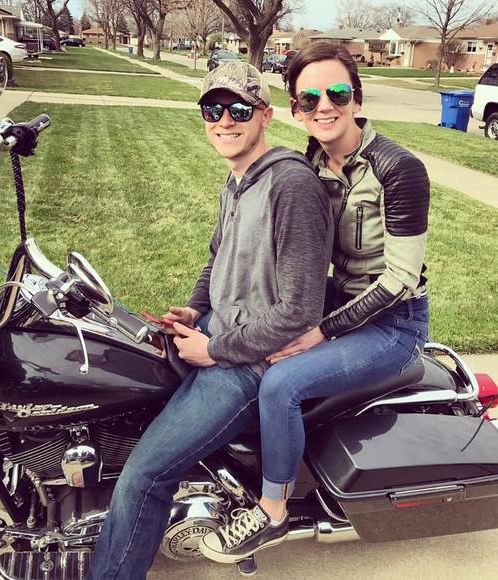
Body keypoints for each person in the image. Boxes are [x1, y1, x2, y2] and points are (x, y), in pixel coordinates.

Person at [86, 61, 333, 580]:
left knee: (145, 475)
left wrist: (214, 350)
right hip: (218, 330)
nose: (224, 120)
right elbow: (217, 257)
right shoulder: (238, 180)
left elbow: (300, 310)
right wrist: (196, 308)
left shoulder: (291, 185)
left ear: (265, 115)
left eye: (239, 109)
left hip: (250, 363)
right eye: (212, 110)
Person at [200, 42, 430, 563]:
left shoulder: (399, 169)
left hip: (393, 324)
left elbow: (400, 279)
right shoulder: (311, 161)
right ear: (296, 109)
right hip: (335, 300)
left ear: (357, 99)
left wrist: (318, 332)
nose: (324, 107)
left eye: (337, 94)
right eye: (309, 99)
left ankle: (273, 511)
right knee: (246, 326)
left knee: (282, 382)